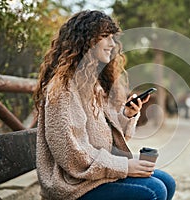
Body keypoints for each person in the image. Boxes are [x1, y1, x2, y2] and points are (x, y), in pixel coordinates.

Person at [33, 10, 176, 200]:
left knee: (167, 182)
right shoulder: (62, 90)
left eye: (112, 37)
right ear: (85, 41)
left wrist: (127, 114)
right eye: (105, 36)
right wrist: (125, 167)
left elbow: (103, 135)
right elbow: (72, 156)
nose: (112, 44)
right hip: (72, 185)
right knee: (154, 190)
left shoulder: (92, 85)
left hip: (94, 175)